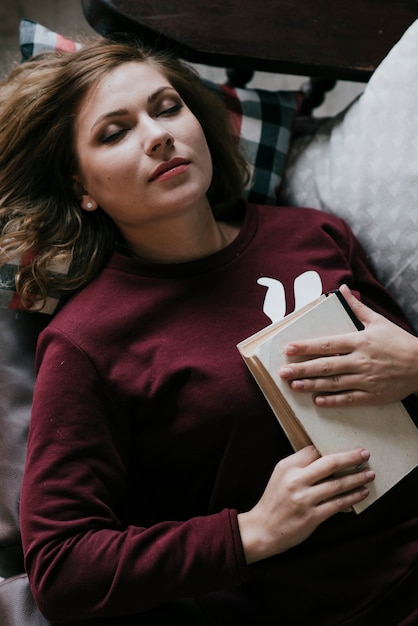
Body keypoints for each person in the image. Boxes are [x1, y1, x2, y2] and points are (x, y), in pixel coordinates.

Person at [1, 37, 418, 625]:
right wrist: (253, 531)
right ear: (81, 189)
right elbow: (61, 568)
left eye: (167, 107)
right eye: (114, 132)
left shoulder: (312, 232)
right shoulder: (87, 342)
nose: (157, 135)